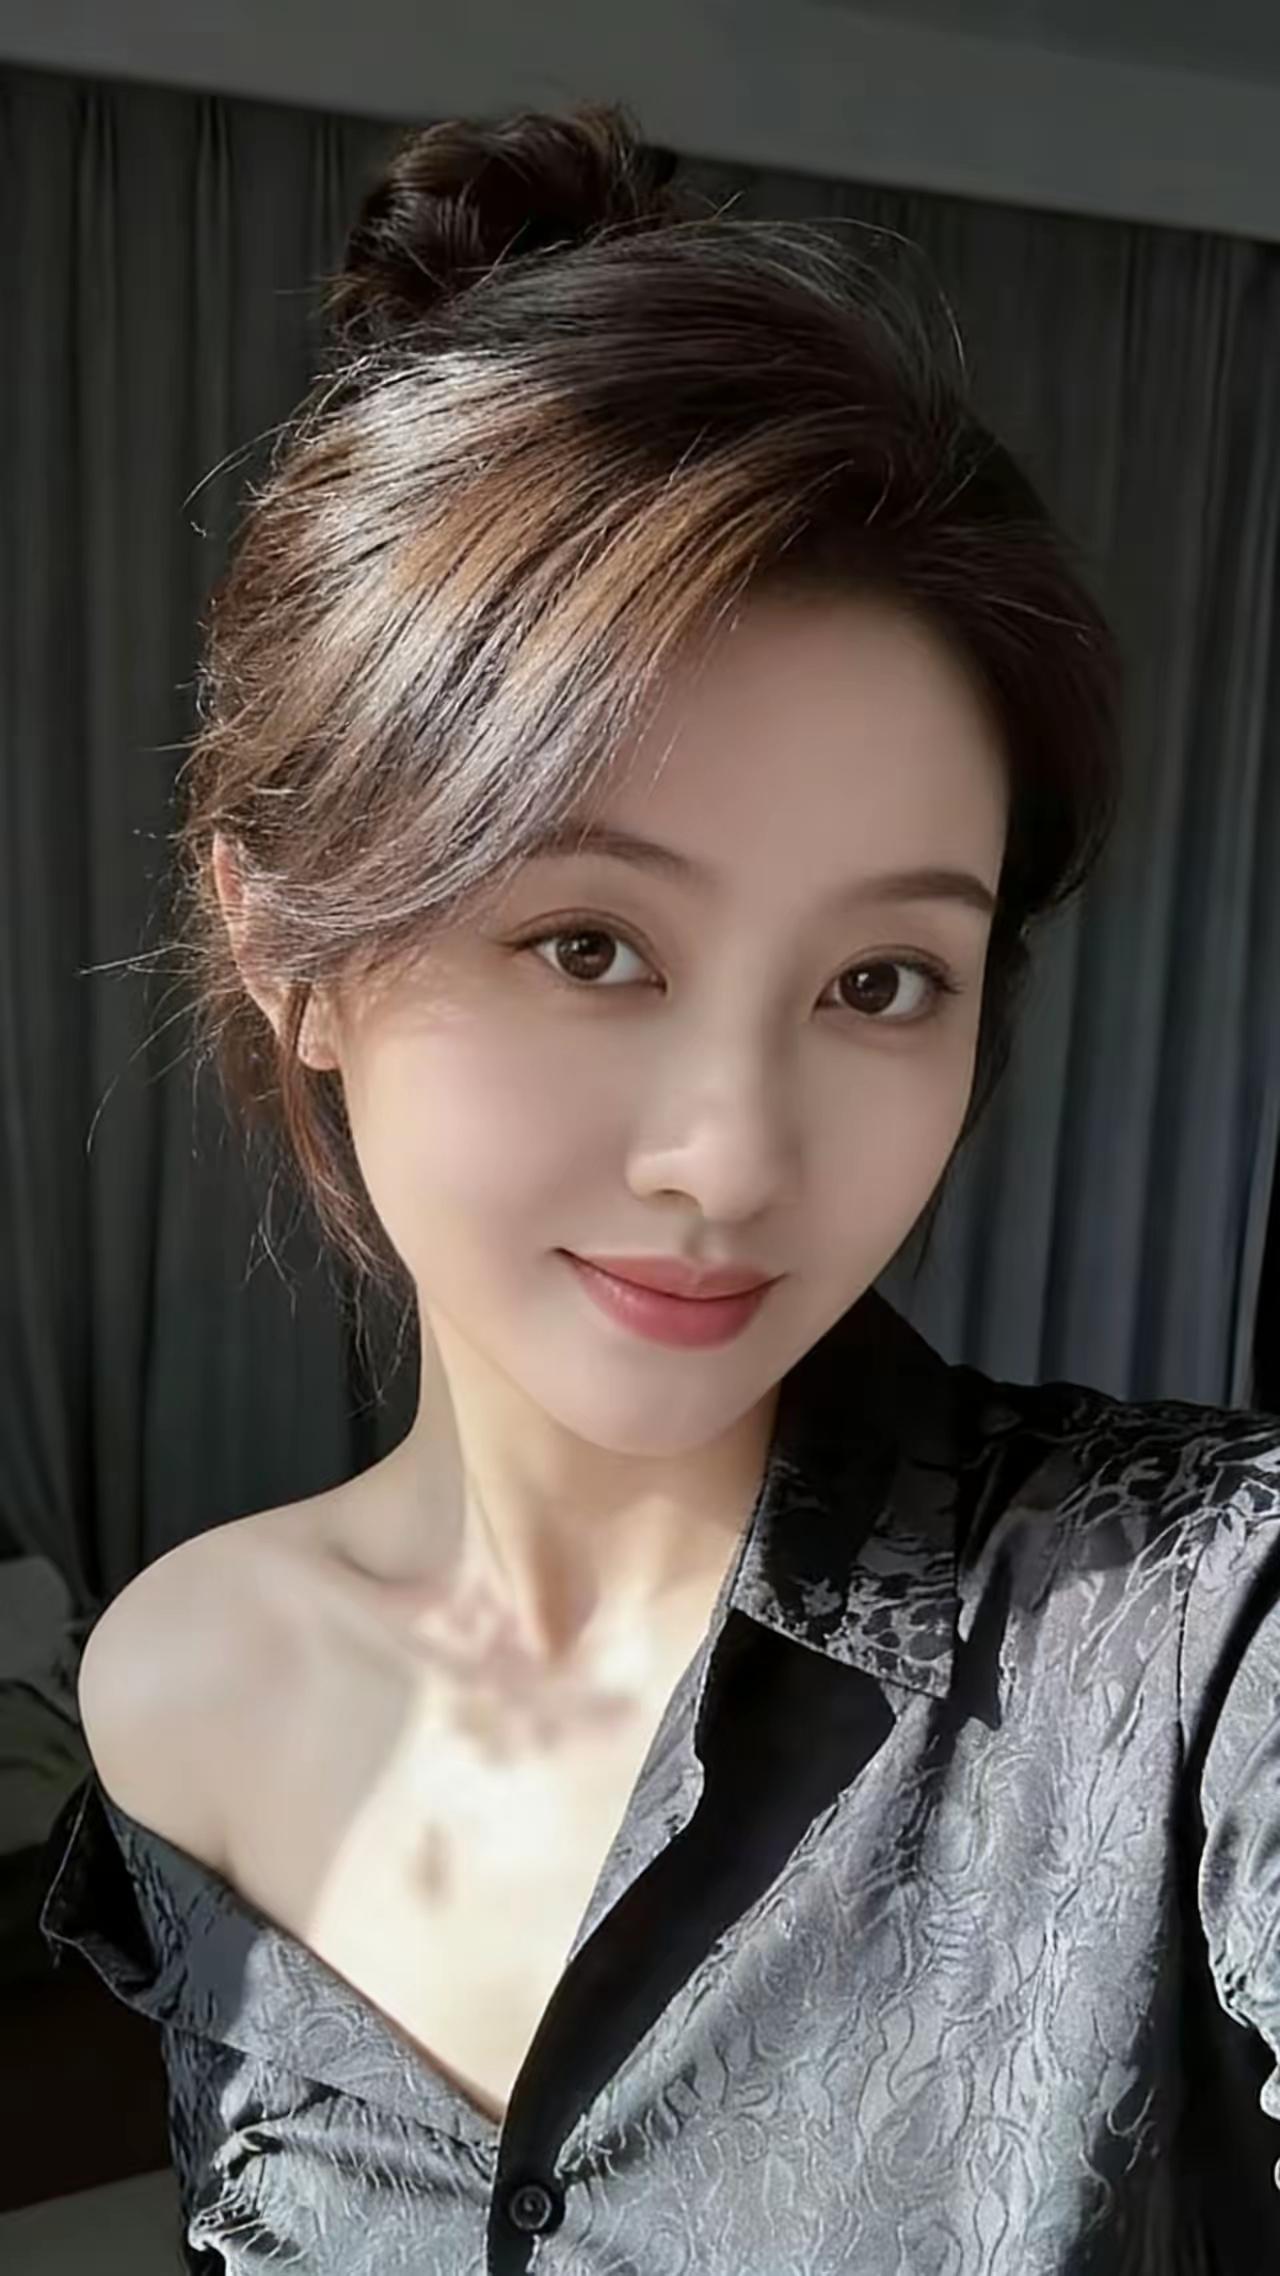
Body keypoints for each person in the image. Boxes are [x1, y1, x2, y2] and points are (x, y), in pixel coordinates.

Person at [37, 104, 1280, 2276]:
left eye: (879, 980)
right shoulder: (186, 1684)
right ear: (289, 944)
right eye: (590, 944)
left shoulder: (1185, 1639)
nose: (731, 1157)